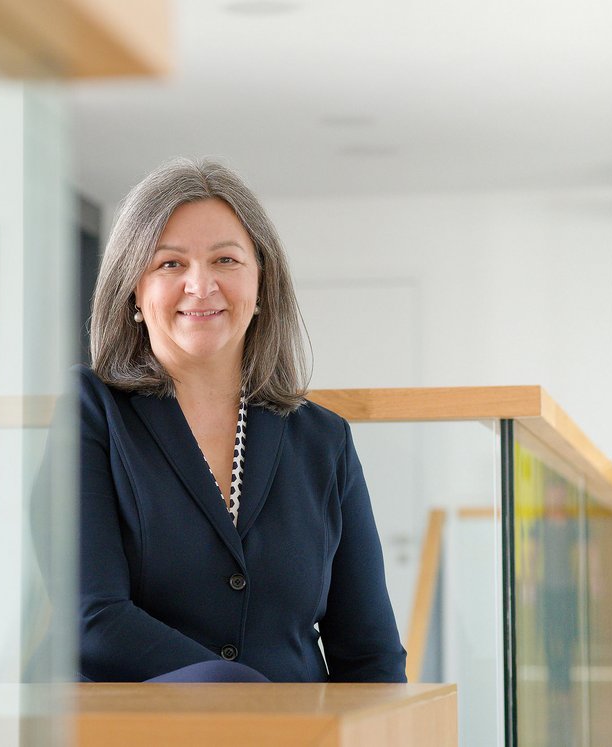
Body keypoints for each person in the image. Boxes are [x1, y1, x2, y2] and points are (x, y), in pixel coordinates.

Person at [78, 157, 406, 683]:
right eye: (169, 264)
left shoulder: (324, 440)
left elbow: (370, 653)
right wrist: (247, 701)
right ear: (133, 291)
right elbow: (91, 621)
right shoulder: (93, 412)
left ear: (261, 284)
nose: (200, 285)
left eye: (225, 260)